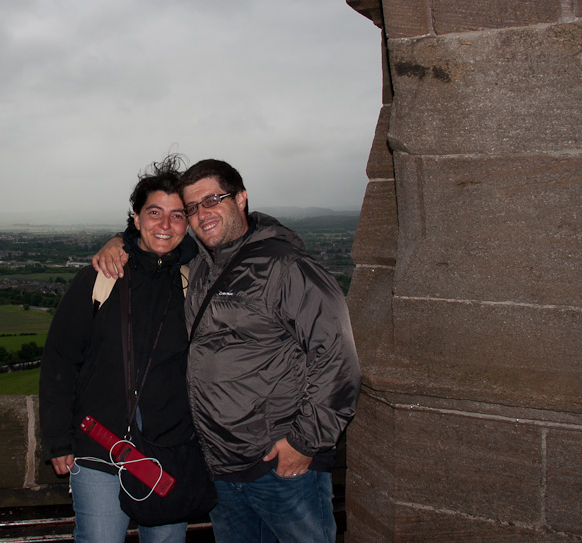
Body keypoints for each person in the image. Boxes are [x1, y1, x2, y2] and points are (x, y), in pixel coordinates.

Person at [93, 159, 360, 543]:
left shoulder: (286, 266)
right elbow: (154, 239)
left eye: (212, 200)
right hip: (220, 470)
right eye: (192, 208)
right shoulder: (201, 266)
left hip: (280, 465)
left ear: (241, 198)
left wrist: (305, 442)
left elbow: (337, 358)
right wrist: (118, 241)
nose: (202, 214)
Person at [40, 156, 205, 543]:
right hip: (100, 448)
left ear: (188, 223)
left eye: (177, 215)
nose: (165, 225)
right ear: (135, 218)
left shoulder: (196, 284)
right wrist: (58, 440)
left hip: (168, 451)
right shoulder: (100, 279)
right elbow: (61, 359)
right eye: (154, 212)